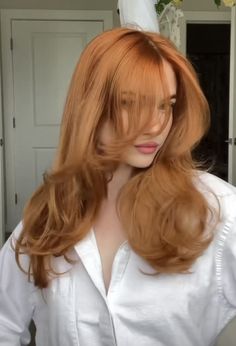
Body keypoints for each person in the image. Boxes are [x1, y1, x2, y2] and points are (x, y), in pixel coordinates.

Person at [0, 26, 236, 346]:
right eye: (130, 104)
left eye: (166, 105)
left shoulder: (217, 212)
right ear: (90, 108)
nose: (155, 125)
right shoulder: (46, 220)